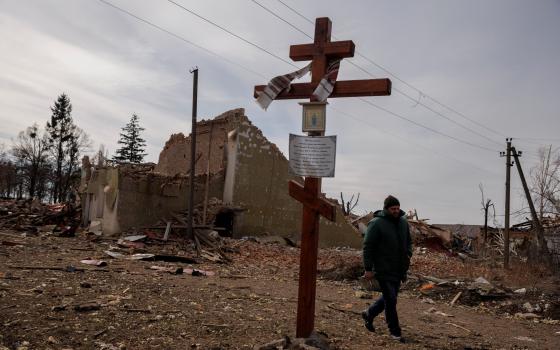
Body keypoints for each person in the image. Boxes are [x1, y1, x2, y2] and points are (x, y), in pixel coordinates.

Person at [361, 195, 412, 343]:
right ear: (386, 209)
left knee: (390, 297)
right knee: (391, 300)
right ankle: (395, 332)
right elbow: (368, 247)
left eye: (397, 208)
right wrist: (368, 268)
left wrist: (409, 253)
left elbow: (409, 241)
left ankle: (369, 313)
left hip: (399, 268)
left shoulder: (403, 222)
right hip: (382, 268)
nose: (396, 211)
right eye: (393, 209)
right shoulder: (376, 223)